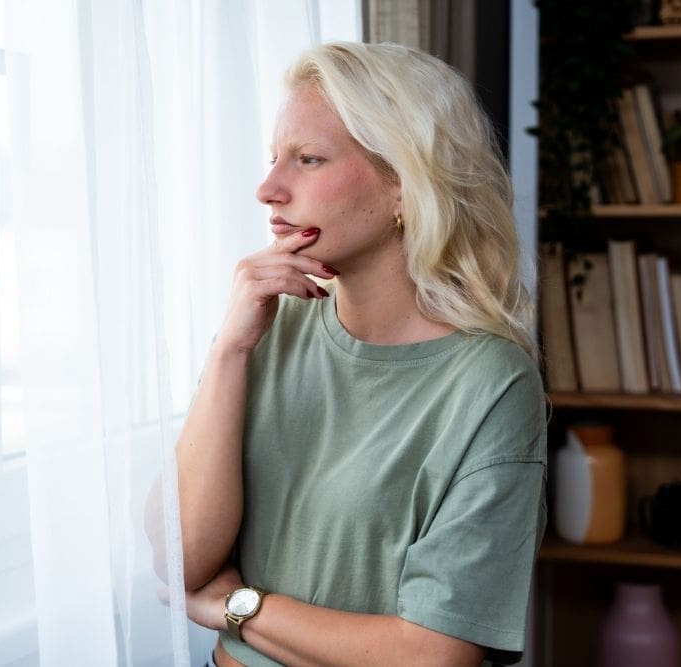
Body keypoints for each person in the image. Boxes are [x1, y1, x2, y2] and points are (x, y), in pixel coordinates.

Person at [174, 41, 547, 667]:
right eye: (273, 159)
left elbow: (432, 655)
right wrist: (229, 350)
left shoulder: (491, 386)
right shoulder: (265, 329)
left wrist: (240, 606)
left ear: (405, 184)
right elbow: (183, 559)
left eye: (308, 159)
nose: (269, 188)